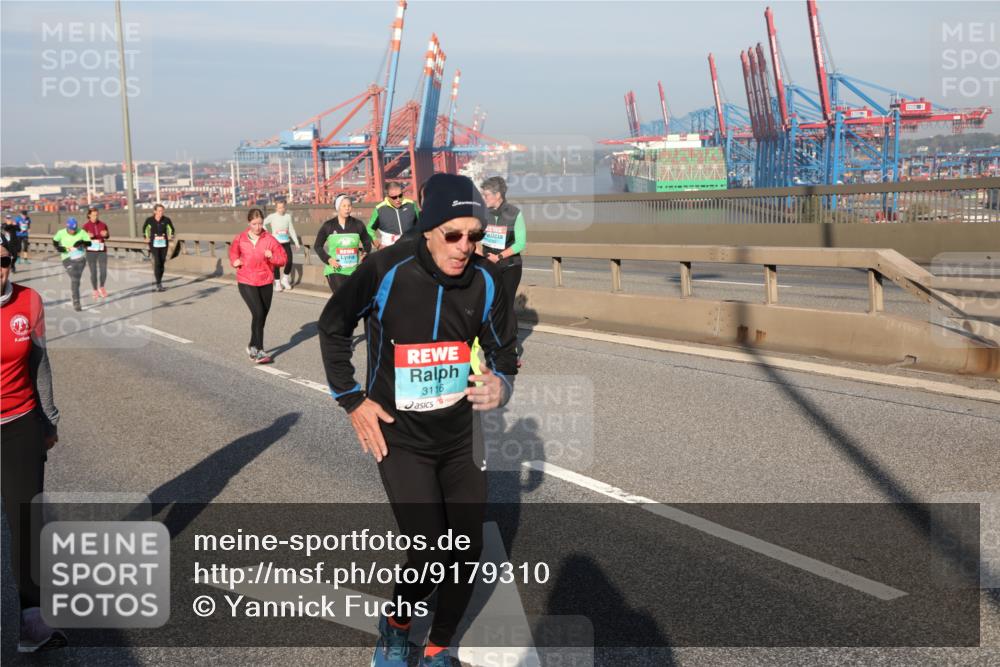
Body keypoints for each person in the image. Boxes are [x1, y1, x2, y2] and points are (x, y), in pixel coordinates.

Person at [319, 173, 517, 667]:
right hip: (401, 437)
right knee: (428, 549)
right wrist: (352, 399)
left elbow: (504, 350)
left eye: (475, 234)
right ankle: (398, 626)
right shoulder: (387, 268)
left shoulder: (487, 280)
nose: (465, 246)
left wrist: (502, 383)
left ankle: (437, 647)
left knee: (465, 552)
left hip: (460, 437)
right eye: (454, 234)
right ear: (428, 229)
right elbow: (333, 327)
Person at [0, 236, 66, 653]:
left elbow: (39, 362)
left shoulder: (29, 302)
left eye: (3, 261)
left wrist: (49, 417)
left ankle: (31, 622)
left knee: (26, 523)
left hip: (19, 422)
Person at [229, 208, 287, 364]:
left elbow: (282, 259)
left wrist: (272, 256)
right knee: (259, 311)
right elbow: (233, 252)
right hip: (246, 280)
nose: (257, 227)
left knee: (261, 315)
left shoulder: (270, 239)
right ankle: (259, 351)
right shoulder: (240, 238)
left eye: (260, 223)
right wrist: (234, 261)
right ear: (249, 223)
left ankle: (252, 345)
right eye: (254, 224)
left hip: (266, 281)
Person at [480, 176, 527, 366]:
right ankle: (492, 347)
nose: (484, 198)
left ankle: (511, 350)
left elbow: (521, 243)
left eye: (486, 195)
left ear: (497, 195)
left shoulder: (515, 213)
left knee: (506, 307)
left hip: (509, 267)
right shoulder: (483, 214)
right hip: (488, 266)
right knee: (489, 307)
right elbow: (477, 237)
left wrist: (499, 257)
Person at [314, 194, 371, 294]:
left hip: (354, 270)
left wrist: (365, 253)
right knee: (343, 297)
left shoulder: (358, 224)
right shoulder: (328, 226)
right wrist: (329, 259)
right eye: (344, 206)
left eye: (349, 206)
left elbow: (367, 242)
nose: (347, 208)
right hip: (335, 270)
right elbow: (317, 246)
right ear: (338, 207)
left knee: (353, 300)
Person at [51, 218, 91, 311]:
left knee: (76, 281)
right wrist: (59, 248)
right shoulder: (61, 233)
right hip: (67, 259)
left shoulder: (81, 232)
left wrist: (82, 242)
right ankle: (76, 302)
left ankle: (75, 296)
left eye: (75, 229)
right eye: (71, 230)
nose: (73, 231)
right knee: (74, 279)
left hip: (80, 259)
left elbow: (89, 243)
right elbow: (55, 241)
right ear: (67, 227)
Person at [368, 182, 420, 250]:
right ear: (387, 196)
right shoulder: (379, 209)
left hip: (411, 249)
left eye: (400, 196)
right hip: (389, 252)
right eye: (394, 197)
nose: (398, 199)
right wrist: (378, 246)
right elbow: (369, 230)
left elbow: (420, 224)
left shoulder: (411, 205)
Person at [263, 200, 300, 292]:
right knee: (276, 263)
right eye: (279, 207)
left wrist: (296, 241)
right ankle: (277, 283)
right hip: (276, 243)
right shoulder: (272, 217)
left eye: (282, 207)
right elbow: (263, 223)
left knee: (289, 261)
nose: (281, 209)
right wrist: (268, 233)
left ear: (285, 207)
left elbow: (291, 229)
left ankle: (285, 279)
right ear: (276, 208)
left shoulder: (288, 217)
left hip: (286, 242)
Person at [142, 204, 175, 292]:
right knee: (157, 261)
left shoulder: (166, 220)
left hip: (164, 243)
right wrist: (146, 237)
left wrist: (170, 235)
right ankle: (158, 283)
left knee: (162, 262)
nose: (161, 212)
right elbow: (145, 229)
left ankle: (159, 281)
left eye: (162, 211)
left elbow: (171, 229)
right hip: (154, 243)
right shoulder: (149, 220)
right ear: (155, 211)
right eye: (159, 210)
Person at [82, 208, 110, 299]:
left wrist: (105, 234)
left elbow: (107, 235)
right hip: (91, 251)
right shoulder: (85, 226)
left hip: (102, 250)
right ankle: (95, 290)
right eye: (93, 215)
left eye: (97, 215)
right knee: (93, 272)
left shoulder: (103, 224)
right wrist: (87, 236)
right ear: (89, 215)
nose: (95, 217)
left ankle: (101, 287)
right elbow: (81, 240)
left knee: (103, 271)